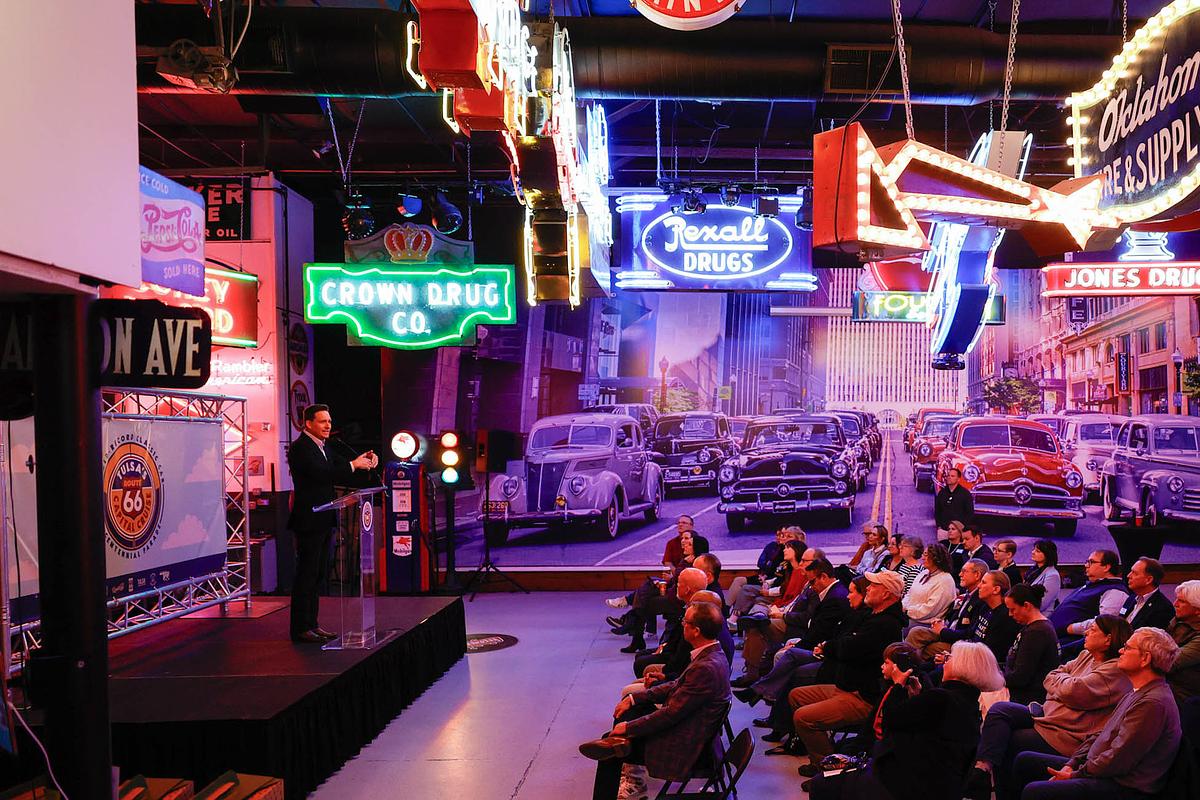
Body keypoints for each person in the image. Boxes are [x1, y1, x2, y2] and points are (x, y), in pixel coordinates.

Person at [969, 615, 1133, 800]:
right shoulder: (1086, 655)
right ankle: (982, 769)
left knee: (1011, 740)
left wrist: (1062, 688)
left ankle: (1002, 793)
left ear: (1108, 639)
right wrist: (1063, 688)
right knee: (1000, 710)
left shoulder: (1114, 671)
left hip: (1065, 732)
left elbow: (1073, 692)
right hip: (1049, 715)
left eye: (1093, 630)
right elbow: (1052, 674)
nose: (1086, 632)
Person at [580, 601, 733, 800]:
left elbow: (670, 715)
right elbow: (677, 684)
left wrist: (629, 728)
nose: (682, 625)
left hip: (685, 745)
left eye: (685, 622)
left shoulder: (705, 667)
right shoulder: (712, 654)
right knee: (630, 711)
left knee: (611, 750)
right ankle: (625, 758)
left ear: (695, 630)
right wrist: (634, 698)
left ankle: (623, 767)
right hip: (693, 730)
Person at [1010, 627, 1182, 800]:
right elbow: (1102, 734)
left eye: (1128, 648)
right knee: (1024, 761)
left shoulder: (1153, 704)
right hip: (1099, 770)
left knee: (1036, 792)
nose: (1121, 650)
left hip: (1123, 786)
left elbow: (1119, 760)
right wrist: (1073, 763)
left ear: (1145, 659)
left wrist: (1075, 774)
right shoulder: (1138, 691)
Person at [788, 570, 908, 776]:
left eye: (873, 586)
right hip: (845, 688)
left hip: (861, 697)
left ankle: (828, 771)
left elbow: (847, 647)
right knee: (796, 695)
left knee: (803, 718)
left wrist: (836, 646)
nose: (867, 588)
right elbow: (845, 642)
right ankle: (826, 754)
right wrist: (841, 644)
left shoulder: (885, 624)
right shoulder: (873, 616)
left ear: (887, 594)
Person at [286, 404, 377, 644]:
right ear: (308, 424)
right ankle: (300, 628)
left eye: (329, 421)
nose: (328, 425)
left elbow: (345, 466)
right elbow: (323, 473)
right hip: (309, 520)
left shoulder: (323, 447)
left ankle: (312, 625)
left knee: (317, 575)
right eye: (322, 421)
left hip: (324, 519)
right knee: (306, 575)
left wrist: (365, 460)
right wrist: (353, 464)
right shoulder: (300, 448)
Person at [734, 557, 850, 703]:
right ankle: (761, 689)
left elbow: (820, 630)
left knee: (786, 653)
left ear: (824, 577)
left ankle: (767, 694)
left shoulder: (835, 598)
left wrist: (799, 644)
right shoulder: (832, 593)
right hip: (811, 635)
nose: (811, 586)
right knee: (761, 628)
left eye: (812, 582)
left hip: (816, 642)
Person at [606, 515, 695, 609]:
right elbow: (667, 562)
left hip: (687, 582)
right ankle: (629, 612)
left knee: (648, 588)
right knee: (649, 586)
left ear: (691, 526)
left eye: (684, 523)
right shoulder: (672, 543)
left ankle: (627, 606)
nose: (680, 525)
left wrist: (675, 576)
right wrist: (674, 575)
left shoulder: (698, 543)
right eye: (679, 523)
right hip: (674, 579)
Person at [907, 558, 987, 658]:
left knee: (927, 648)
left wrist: (942, 631)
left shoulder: (980, 600)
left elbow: (969, 633)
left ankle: (906, 668)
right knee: (916, 632)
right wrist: (941, 624)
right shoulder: (967, 594)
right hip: (948, 630)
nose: (960, 575)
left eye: (964, 571)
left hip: (959, 642)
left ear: (977, 575)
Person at [1051, 550, 1129, 652]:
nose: (1086, 565)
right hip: (1056, 635)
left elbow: (1104, 623)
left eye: (1091, 562)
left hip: (1072, 643)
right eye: (1087, 561)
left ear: (1106, 567)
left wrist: (1071, 628)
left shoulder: (1115, 591)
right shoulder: (1092, 585)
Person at [1003, 584, 1061, 705]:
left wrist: (995, 679)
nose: (1009, 614)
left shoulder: (1036, 632)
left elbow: (1020, 677)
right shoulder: (1036, 627)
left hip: (1028, 699)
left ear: (1026, 606)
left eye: (1012, 609)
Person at [902, 543, 957, 625]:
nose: (922, 558)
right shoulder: (923, 573)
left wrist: (908, 611)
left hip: (925, 623)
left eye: (926, 555)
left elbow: (930, 609)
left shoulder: (945, 580)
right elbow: (909, 594)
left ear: (936, 558)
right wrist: (903, 607)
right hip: (908, 615)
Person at [1118, 557, 1174, 631]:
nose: (1128, 576)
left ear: (1148, 580)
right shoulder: (1131, 598)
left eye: (1134, 573)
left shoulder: (1162, 607)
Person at [1167, 579, 1200, 703]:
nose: (1175, 604)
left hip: (1185, 695)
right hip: (1167, 684)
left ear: (1197, 608)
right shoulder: (1178, 621)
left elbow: (1170, 661)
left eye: (1181, 601)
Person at [1022, 540, 1062, 613]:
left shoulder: (1052, 575)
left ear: (1047, 554)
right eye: (1034, 549)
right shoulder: (1032, 571)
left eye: (1037, 551)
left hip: (1041, 616)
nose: (1033, 552)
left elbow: (1043, 603)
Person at [935, 468, 974, 537]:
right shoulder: (942, 493)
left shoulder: (965, 494)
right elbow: (937, 511)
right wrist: (939, 526)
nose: (949, 478)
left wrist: (963, 529)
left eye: (952, 476)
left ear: (958, 479)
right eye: (948, 476)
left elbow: (969, 514)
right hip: (943, 531)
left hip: (959, 532)